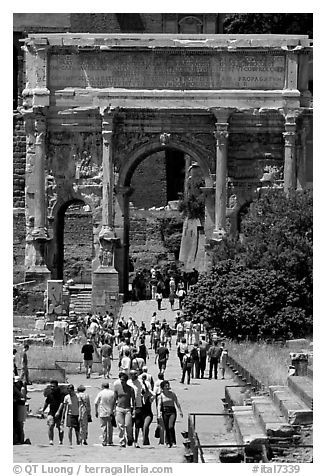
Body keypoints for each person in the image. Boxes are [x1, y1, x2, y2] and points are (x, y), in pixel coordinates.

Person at [157, 380, 183, 448]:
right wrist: (159, 413)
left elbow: (177, 402)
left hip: (172, 411)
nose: (167, 386)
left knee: (171, 426)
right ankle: (168, 442)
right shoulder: (161, 396)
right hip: (165, 412)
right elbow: (159, 405)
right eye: (166, 386)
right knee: (166, 427)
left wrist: (180, 411)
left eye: (168, 385)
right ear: (163, 387)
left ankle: (173, 441)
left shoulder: (172, 394)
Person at [113, 371, 136, 447]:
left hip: (128, 409)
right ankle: (122, 441)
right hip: (119, 408)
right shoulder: (117, 388)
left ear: (126, 381)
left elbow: (133, 399)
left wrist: (134, 409)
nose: (122, 381)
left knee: (128, 425)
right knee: (120, 426)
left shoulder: (130, 389)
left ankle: (130, 438)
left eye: (123, 380)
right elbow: (115, 398)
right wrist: (113, 408)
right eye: (121, 380)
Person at [41, 380, 64, 445]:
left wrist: (58, 412)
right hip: (51, 412)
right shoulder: (50, 394)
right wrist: (43, 411)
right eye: (51, 386)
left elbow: (62, 403)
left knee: (60, 428)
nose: (52, 388)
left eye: (53, 386)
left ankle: (60, 441)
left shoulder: (61, 394)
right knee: (51, 426)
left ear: (57, 386)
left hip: (60, 413)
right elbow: (46, 402)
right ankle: (51, 440)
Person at [94, 382, 115, 446]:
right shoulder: (112, 393)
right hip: (111, 412)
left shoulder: (101, 393)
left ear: (102, 386)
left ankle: (104, 441)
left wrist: (96, 411)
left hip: (103, 412)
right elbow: (116, 402)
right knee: (110, 427)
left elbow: (95, 402)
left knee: (103, 427)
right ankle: (110, 441)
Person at [128, 370, 143, 448]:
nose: (135, 375)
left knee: (137, 424)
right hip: (129, 406)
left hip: (138, 406)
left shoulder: (140, 382)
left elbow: (144, 391)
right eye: (133, 374)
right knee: (129, 424)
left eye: (136, 374)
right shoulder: (128, 383)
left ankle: (136, 441)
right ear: (130, 375)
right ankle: (130, 439)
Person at [140, 374, 154, 445]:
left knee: (145, 426)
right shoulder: (139, 399)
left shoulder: (150, 399)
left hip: (148, 414)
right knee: (143, 428)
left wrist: (146, 388)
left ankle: (145, 441)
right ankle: (146, 441)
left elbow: (153, 394)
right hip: (140, 414)